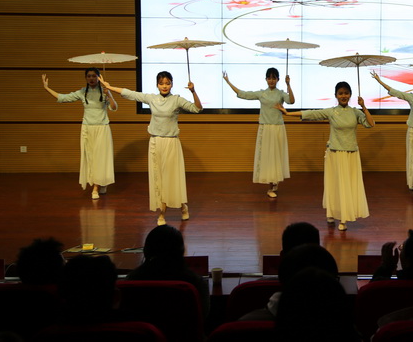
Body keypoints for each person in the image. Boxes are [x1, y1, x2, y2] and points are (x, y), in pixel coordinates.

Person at [99, 71, 201, 225]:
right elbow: (130, 94)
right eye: (161, 83)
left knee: (171, 178)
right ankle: (168, 210)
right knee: (158, 179)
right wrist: (110, 87)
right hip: (155, 142)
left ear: (172, 84)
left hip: (171, 143)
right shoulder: (152, 99)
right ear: (157, 85)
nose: (164, 86)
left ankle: (175, 209)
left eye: (167, 83)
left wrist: (193, 91)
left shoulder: (176, 100)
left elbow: (197, 108)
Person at [277, 81, 374, 231]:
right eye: (340, 93)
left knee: (347, 186)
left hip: (351, 155)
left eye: (346, 93)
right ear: (336, 95)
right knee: (334, 185)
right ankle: (331, 213)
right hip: (334, 153)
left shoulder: (356, 112)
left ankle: (343, 218)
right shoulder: (331, 111)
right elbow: (312, 114)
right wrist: (288, 113)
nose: (343, 96)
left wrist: (364, 107)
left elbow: (371, 124)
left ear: (350, 95)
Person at [42, 68, 117, 200]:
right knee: (91, 158)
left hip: (102, 128)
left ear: (99, 77)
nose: (91, 78)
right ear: (86, 78)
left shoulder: (105, 91)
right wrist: (47, 88)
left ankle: (97, 186)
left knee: (101, 158)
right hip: (87, 128)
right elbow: (63, 98)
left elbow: (114, 107)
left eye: (94, 76)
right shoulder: (82, 92)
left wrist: (109, 93)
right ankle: (98, 183)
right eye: (89, 76)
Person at [223, 68, 294, 198]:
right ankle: (270, 187)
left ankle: (275, 182)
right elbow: (243, 94)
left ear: (278, 79)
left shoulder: (281, 94)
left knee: (277, 156)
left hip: (278, 128)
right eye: (269, 78)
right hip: (265, 128)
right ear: (266, 79)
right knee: (268, 157)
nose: (271, 80)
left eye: (274, 78)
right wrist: (228, 82)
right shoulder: (262, 93)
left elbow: (291, 101)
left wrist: (288, 84)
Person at [126, 224, 210, 321]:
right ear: (181, 250)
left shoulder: (132, 280)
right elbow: (202, 314)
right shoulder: (196, 283)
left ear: (147, 249)